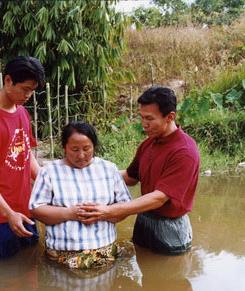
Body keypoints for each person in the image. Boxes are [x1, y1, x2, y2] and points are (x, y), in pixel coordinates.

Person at [78, 86, 200, 255]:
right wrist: (90, 174)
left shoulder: (184, 152)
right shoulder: (149, 143)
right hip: (144, 218)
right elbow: (130, 177)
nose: (144, 124)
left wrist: (110, 211)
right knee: (145, 271)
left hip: (170, 227)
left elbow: (159, 198)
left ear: (170, 117)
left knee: (170, 277)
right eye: (141, 118)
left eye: (149, 118)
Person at [29, 121, 132, 268]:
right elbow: (35, 209)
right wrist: (68, 213)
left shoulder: (109, 169)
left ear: (94, 146)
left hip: (105, 254)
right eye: (74, 149)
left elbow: (126, 206)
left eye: (86, 148)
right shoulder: (49, 172)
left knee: (103, 288)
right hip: (61, 257)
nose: (81, 155)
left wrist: (104, 213)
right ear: (64, 148)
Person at [0, 56, 45, 258]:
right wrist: (8, 214)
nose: (28, 95)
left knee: (30, 272)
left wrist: (50, 184)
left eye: (32, 90)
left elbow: (27, 156)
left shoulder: (22, 113)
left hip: (25, 211)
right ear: (8, 80)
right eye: (25, 89)